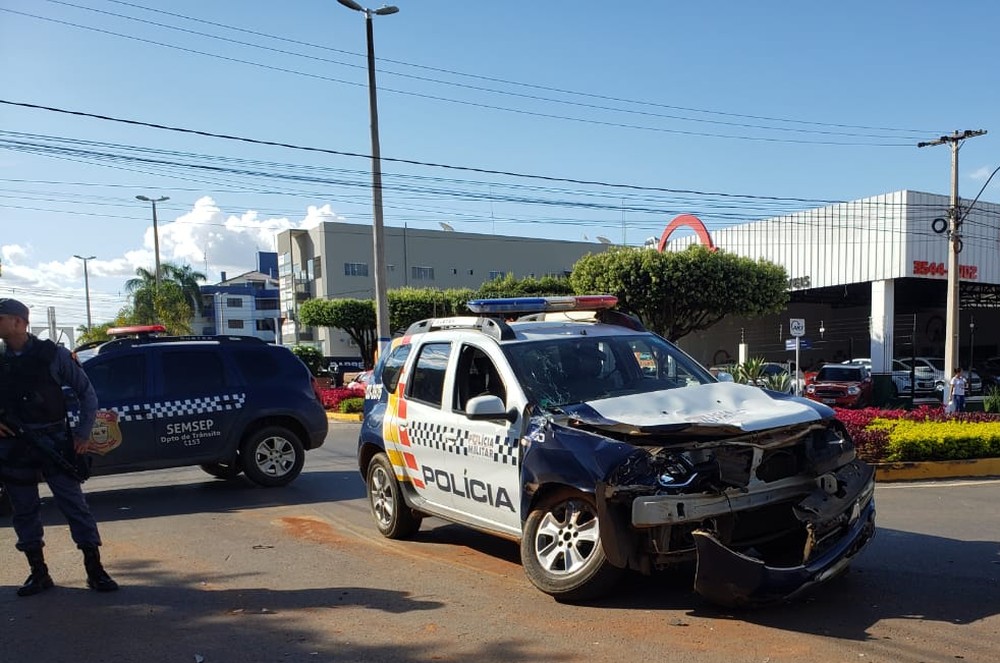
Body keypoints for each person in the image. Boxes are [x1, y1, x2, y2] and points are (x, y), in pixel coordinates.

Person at [0, 298, 118, 596]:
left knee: (74, 506)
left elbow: (86, 394)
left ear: (18, 321)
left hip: (54, 442)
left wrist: (81, 434)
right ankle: (38, 573)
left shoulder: (53, 355)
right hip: (15, 446)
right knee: (24, 510)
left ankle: (95, 571)